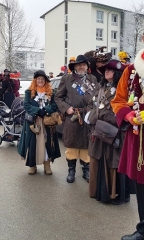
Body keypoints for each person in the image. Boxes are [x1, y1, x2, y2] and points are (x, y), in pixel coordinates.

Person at [85, 59, 130, 204]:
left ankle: (113, 194)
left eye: (110, 70)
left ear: (117, 73)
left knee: (112, 162)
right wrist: (91, 114)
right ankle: (98, 192)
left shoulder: (122, 89)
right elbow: (91, 105)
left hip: (113, 132)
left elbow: (118, 113)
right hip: (98, 131)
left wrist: (93, 116)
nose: (107, 72)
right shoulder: (100, 87)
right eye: (105, 70)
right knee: (96, 159)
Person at [111, 49, 144, 239]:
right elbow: (118, 101)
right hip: (138, 139)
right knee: (141, 186)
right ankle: (143, 229)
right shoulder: (131, 70)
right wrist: (129, 115)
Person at [55, 55, 98, 183]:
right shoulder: (67, 79)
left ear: (87, 66)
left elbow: (97, 97)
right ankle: (71, 171)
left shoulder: (93, 79)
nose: (81, 67)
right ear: (74, 67)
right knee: (72, 145)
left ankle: (86, 170)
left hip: (88, 117)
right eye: (79, 65)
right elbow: (58, 97)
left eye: (84, 65)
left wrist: (93, 111)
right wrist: (66, 108)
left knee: (86, 144)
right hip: (72, 116)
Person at [18, 70, 61, 175]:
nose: (40, 81)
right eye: (38, 79)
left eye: (42, 79)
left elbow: (54, 106)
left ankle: (47, 165)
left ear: (45, 80)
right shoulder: (29, 92)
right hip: (33, 121)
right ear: (35, 80)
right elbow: (27, 105)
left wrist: (45, 110)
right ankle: (32, 165)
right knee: (33, 143)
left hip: (47, 121)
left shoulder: (51, 92)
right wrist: (38, 111)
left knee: (47, 143)